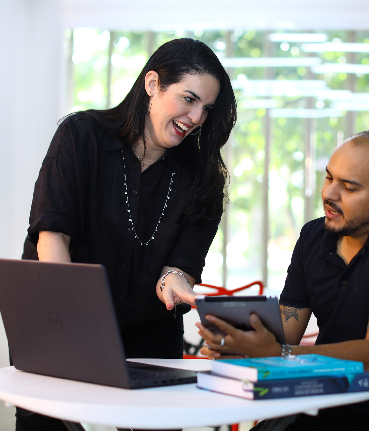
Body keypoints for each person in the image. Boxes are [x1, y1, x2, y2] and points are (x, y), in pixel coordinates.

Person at [19, 38, 237, 430]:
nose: (195, 117)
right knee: (47, 422)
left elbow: (181, 266)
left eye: (206, 109)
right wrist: (74, 322)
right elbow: (52, 237)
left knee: (157, 423)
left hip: (147, 325)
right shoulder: (80, 136)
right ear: (152, 83)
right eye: (188, 99)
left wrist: (175, 281)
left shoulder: (202, 178)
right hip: (60, 315)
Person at [197, 130, 369, 430]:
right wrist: (241, 344)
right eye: (329, 178)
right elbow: (285, 333)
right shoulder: (314, 236)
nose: (329, 194)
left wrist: (279, 354)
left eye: (349, 188)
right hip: (321, 400)